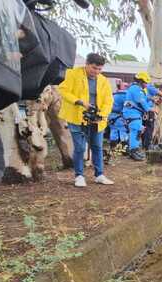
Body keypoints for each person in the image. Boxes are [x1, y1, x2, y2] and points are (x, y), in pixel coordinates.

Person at [57, 53, 115, 187]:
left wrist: (102, 115)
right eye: (94, 68)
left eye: (100, 69)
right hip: (76, 116)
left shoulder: (103, 80)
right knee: (80, 147)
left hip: (97, 118)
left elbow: (108, 100)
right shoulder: (72, 74)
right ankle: (79, 176)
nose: (97, 72)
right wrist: (79, 102)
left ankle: (99, 175)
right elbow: (63, 90)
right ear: (87, 64)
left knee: (97, 146)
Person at [123, 72, 154, 161]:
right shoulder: (135, 89)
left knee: (137, 131)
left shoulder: (138, 89)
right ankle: (133, 151)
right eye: (145, 82)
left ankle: (134, 150)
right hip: (132, 113)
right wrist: (150, 109)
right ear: (140, 81)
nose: (146, 84)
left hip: (135, 114)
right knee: (135, 131)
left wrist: (151, 100)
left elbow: (145, 99)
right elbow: (141, 101)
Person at [108, 82, 129, 150]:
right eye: (126, 86)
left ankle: (113, 148)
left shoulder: (114, 95)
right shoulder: (125, 95)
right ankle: (124, 149)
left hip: (111, 116)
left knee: (113, 131)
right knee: (123, 131)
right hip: (120, 116)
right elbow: (127, 107)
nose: (127, 87)